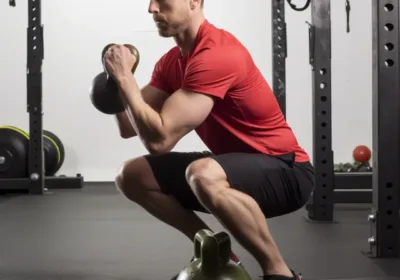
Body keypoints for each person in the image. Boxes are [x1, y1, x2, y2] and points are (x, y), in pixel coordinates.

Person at [103, 0, 315, 279]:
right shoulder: (172, 63)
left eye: (162, 0)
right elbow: (131, 126)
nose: (152, 9)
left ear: (194, 2)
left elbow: (159, 141)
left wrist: (125, 77)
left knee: (202, 173)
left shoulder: (217, 54)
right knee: (130, 175)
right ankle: (215, 248)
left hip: (287, 171)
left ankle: (280, 272)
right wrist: (116, 83)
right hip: (234, 165)